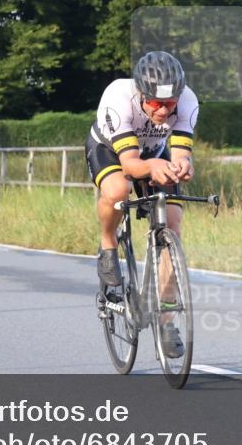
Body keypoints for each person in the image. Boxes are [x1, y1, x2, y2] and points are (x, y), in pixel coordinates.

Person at [85, 51, 198, 358]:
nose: (163, 110)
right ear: (140, 94)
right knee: (118, 190)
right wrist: (151, 169)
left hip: (154, 152)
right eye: (155, 103)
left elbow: (180, 153)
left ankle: (166, 321)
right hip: (111, 150)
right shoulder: (117, 97)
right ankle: (108, 243)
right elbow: (132, 163)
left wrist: (184, 165)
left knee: (172, 221)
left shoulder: (187, 99)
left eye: (170, 104)